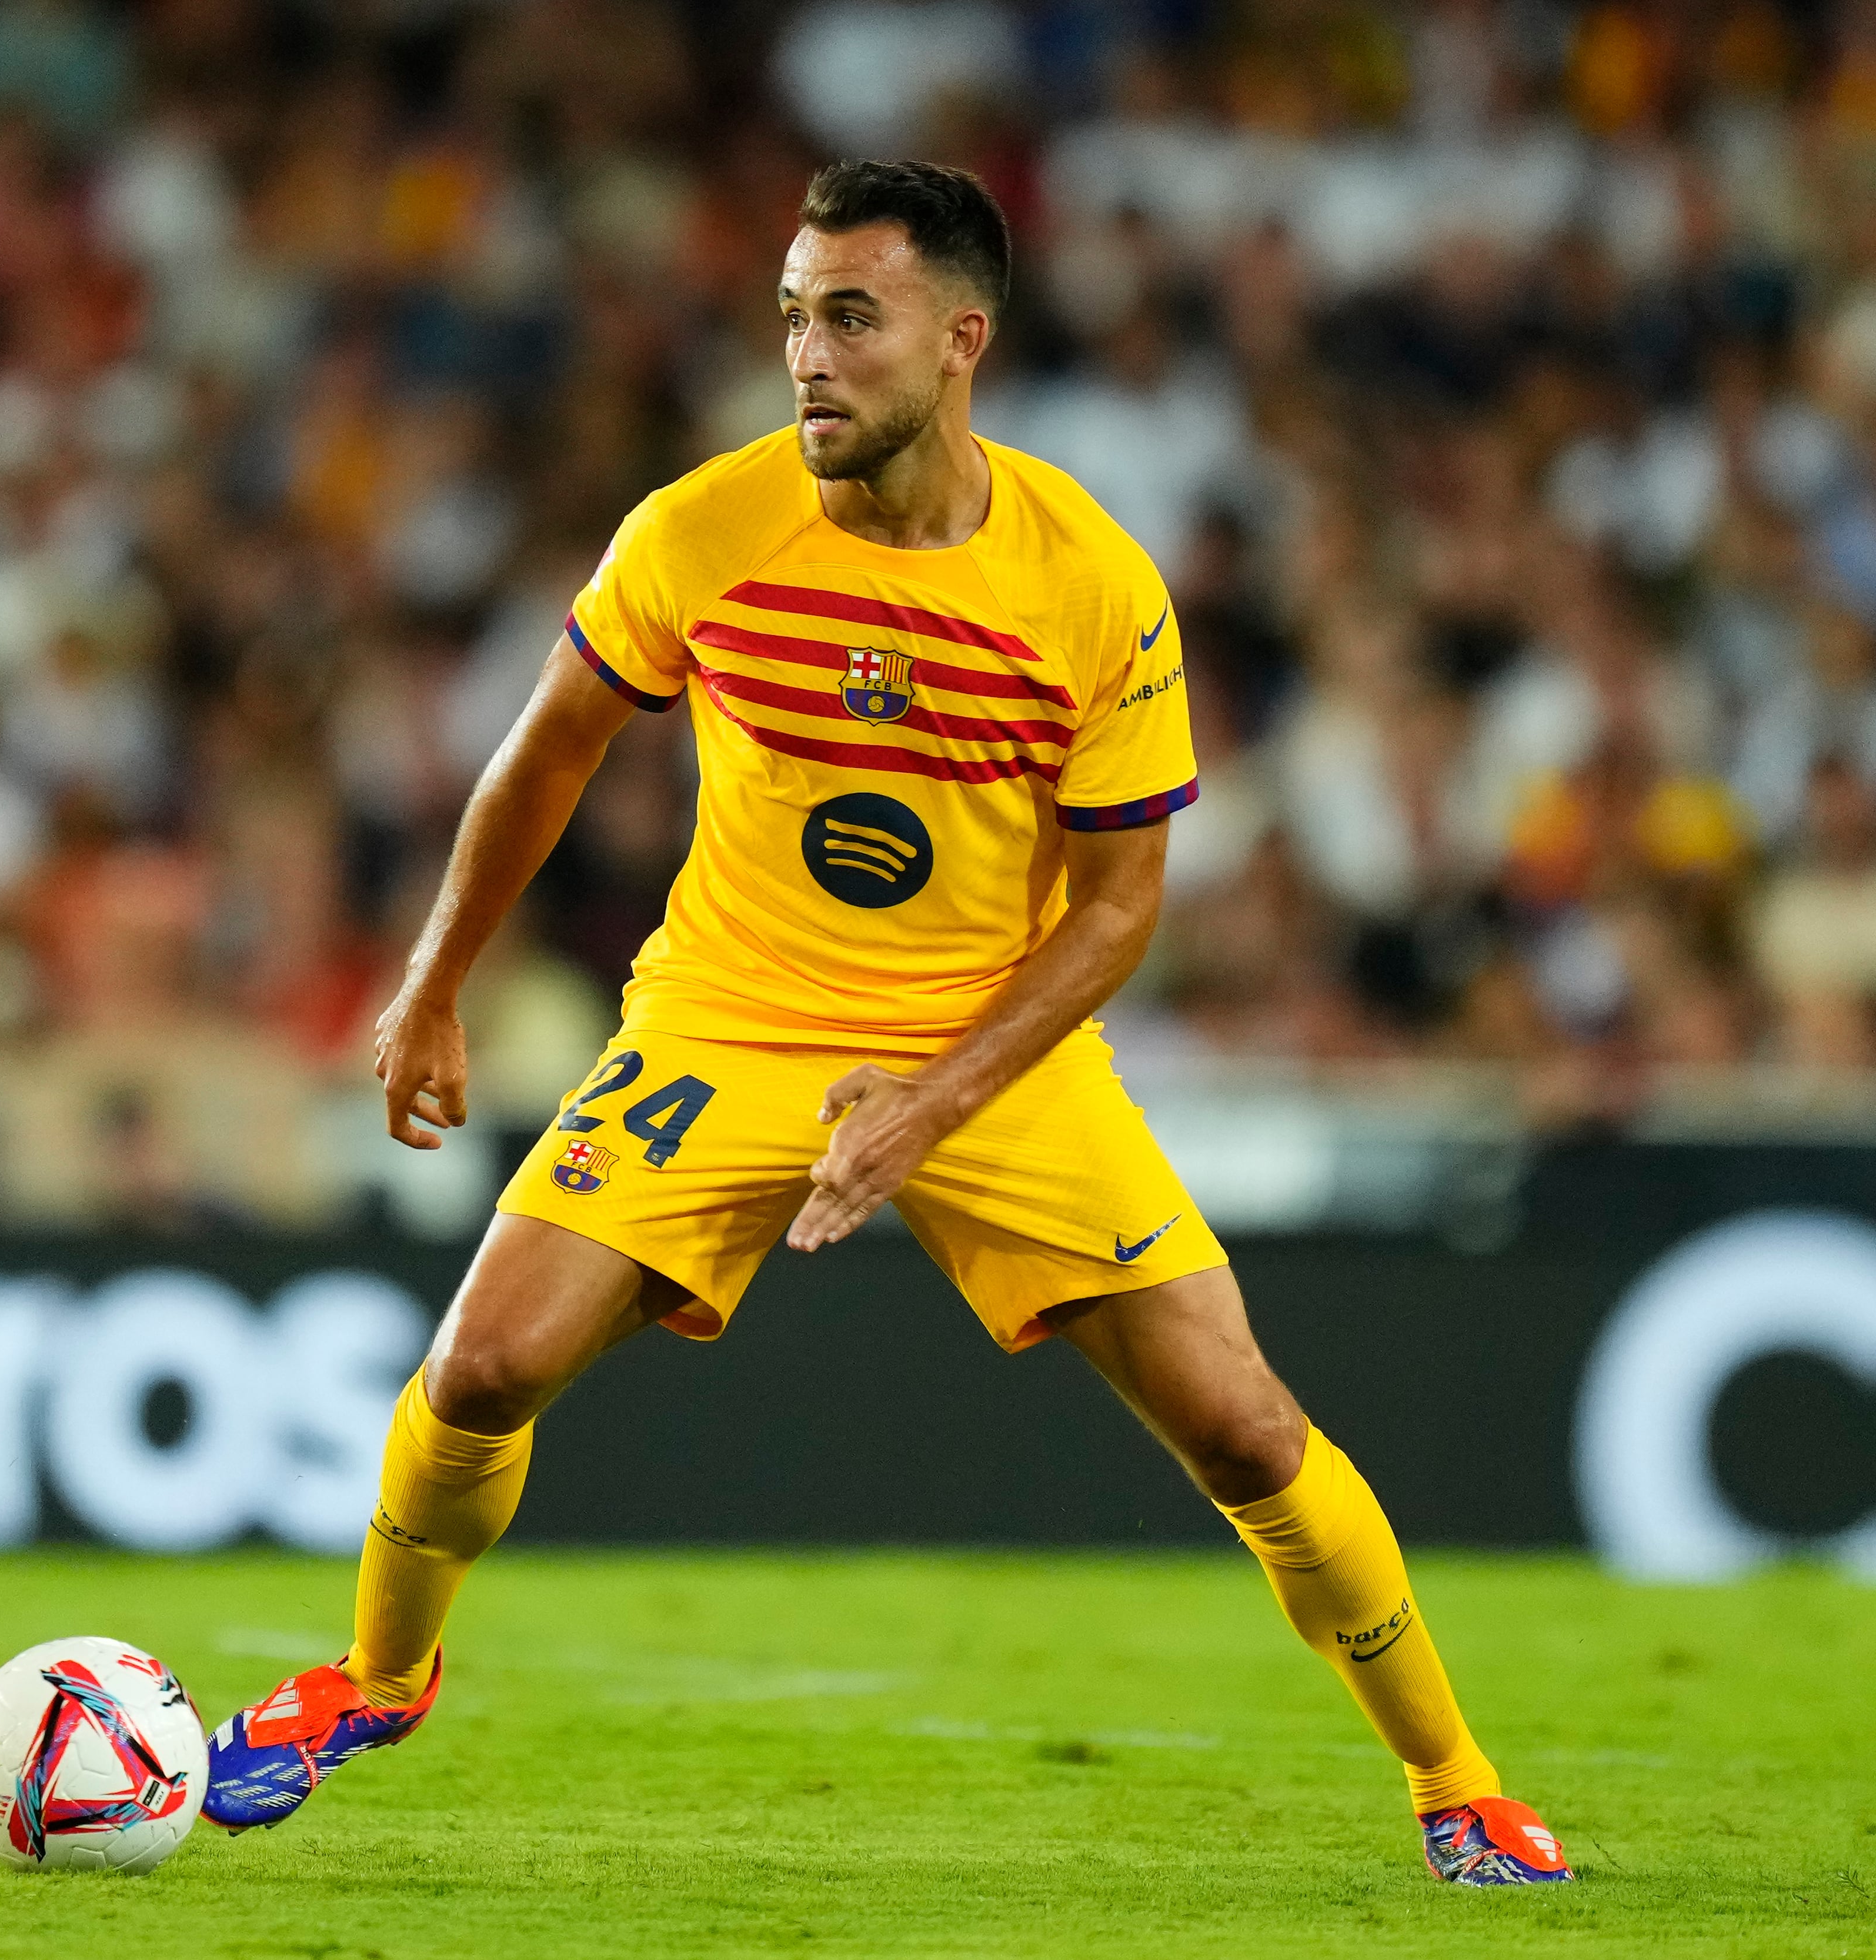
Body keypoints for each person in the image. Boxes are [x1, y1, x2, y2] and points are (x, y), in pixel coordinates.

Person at [201, 160, 1571, 1888]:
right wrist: (431, 979)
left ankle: (1457, 1784)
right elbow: (546, 750)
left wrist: (931, 1098)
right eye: (791, 314)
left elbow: (1120, 910)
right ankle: (377, 1679)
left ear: (962, 338)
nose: (807, 355)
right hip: (728, 1018)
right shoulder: (702, 528)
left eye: (851, 315)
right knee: (482, 1368)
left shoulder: (1087, 581)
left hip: (991, 1042)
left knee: (1244, 1427)